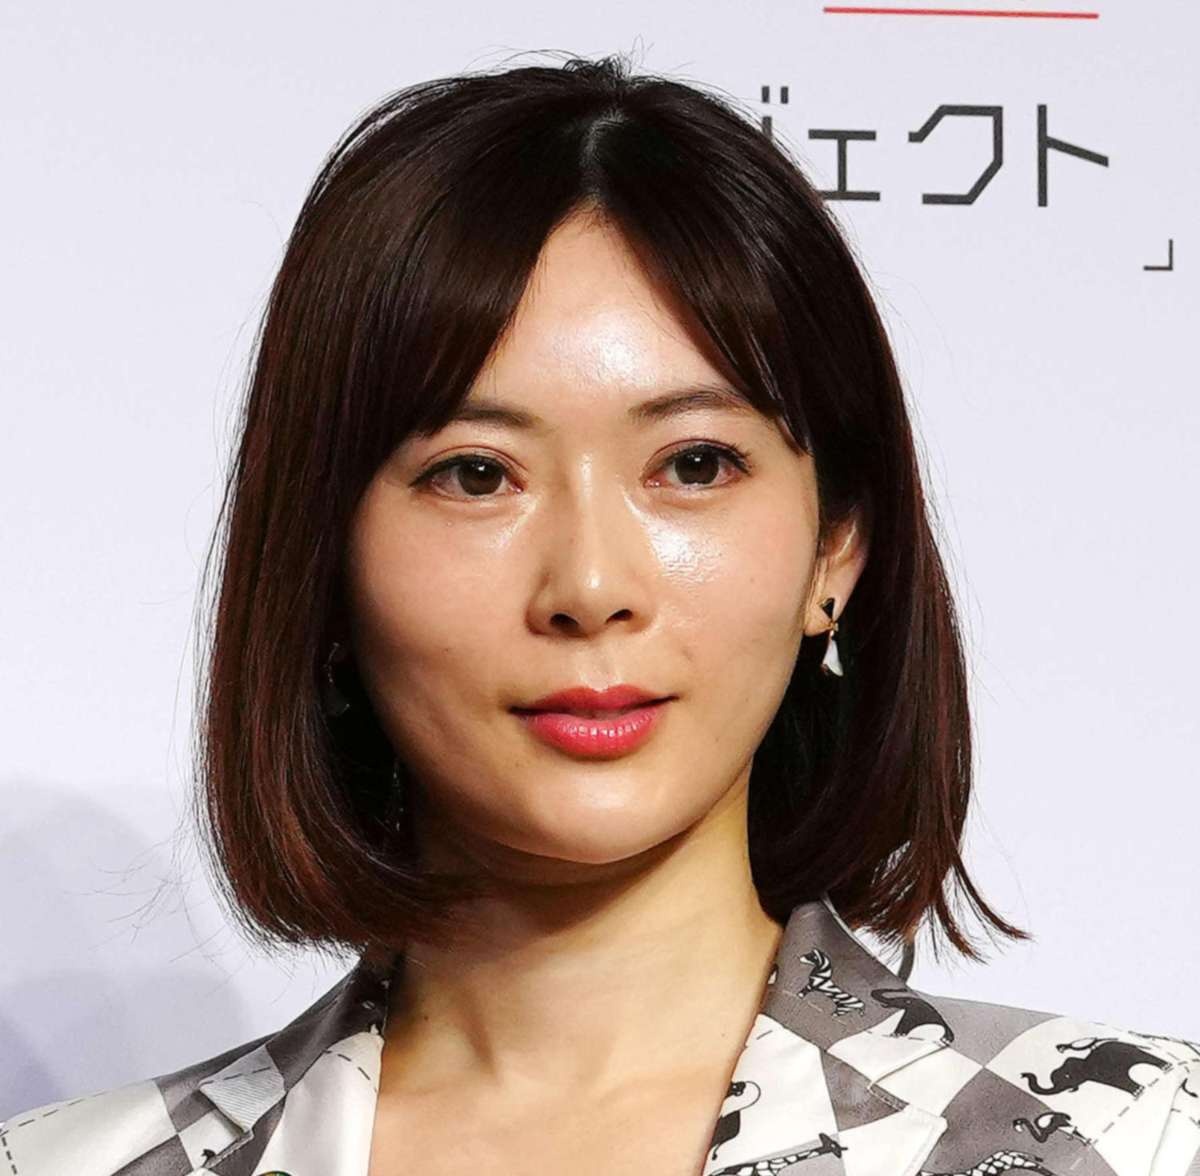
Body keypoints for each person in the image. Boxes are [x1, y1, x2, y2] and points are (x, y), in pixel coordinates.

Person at [3, 51, 1196, 1176]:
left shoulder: (1133, 1139)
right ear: (323, 560)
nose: (588, 587)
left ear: (835, 546)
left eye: (694, 465)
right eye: (477, 475)